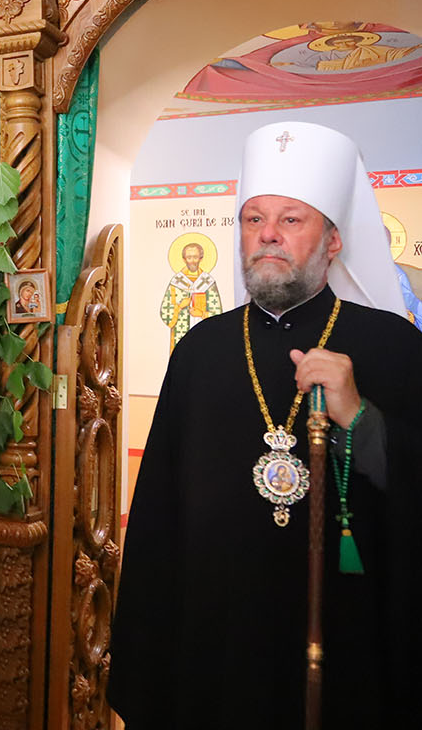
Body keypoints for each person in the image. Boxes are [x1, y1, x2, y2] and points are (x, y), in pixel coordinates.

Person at [109, 121, 422, 728]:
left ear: (334, 240)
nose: (267, 234)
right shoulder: (200, 351)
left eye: (290, 219)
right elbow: (159, 516)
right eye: (253, 219)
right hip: (217, 647)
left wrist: (358, 416)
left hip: (348, 642)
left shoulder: (392, 346)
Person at [159, 241, 222, 350]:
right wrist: (179, 307)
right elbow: (165, 311)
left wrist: (202, 314)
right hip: (181, 334)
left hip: (204, 333)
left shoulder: (208, 282)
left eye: (195, 257)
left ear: (201, 258)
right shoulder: (176, 282)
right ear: (184, 259)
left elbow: (218, 313)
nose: (192, 261)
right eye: (189, 257)